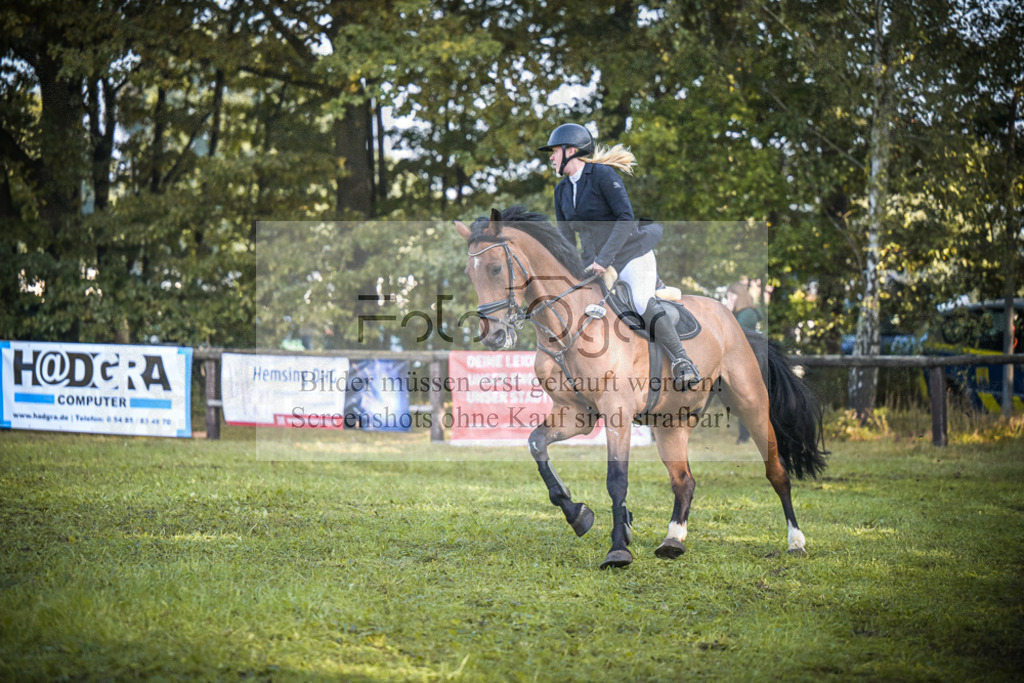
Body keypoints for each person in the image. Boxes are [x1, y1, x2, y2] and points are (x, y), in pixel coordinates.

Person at [539, 122, 699, 383]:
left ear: (571, 151)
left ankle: (683, 360)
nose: (551, 157)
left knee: (640, 301)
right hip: (594, 264)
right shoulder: (562, 191)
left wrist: (604, 260)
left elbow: (625, 218)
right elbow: (565, 238)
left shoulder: (602, 175)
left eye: (554, 151)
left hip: (630, 254)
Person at [725, 281, 761, 442]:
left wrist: (728, 310)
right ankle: (744, 435)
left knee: (747, 397)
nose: (729, 298)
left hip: (751, 359)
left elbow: (734, 333)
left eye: (731, 295)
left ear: (738, 296)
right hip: (738, 359)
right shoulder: (740, 313)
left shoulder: (748, 313)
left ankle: (747, 435)